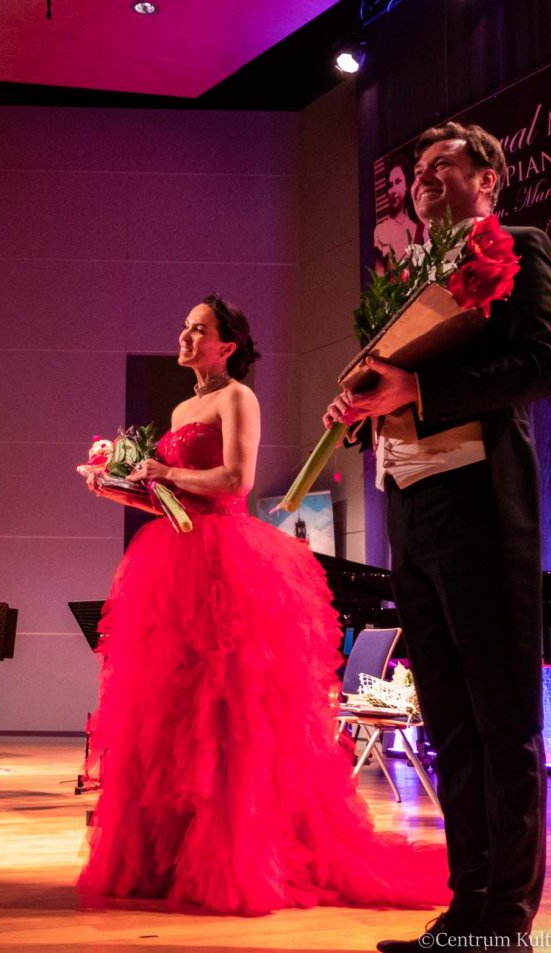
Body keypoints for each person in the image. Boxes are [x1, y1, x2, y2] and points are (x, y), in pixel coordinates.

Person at [77, 295, 449, 916]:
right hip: (173, 560)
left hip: (226, 561)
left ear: (227, 345)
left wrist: (162, 475)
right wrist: (120, 489)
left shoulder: (236, 398)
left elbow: (233, 483)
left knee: (226, 715)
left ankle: (238, 858)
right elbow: (172, 500)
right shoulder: (180, 406)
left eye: (200, 329)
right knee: (173, 719)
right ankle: (172, 859)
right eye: (186, 326)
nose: (186, 335)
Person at [325, 122, 551, 952]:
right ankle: (466, 910)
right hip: (412, 512)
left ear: (488, 178)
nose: (421, 178)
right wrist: (362, 409)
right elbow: (392, 390)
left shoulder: (522, 247)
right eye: (416, 171)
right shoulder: (406, 281)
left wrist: (418, 386)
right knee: (450, 724)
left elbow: (542, 365)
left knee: (503, 717)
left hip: (479, 504)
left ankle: (508, 921)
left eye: (442, 166)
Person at [373, 162, 425, 267]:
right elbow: (379, 274)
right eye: (390, 185)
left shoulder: (417, 228)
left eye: (398, 182)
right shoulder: (381, 230)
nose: (393, 191)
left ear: (406, 186)